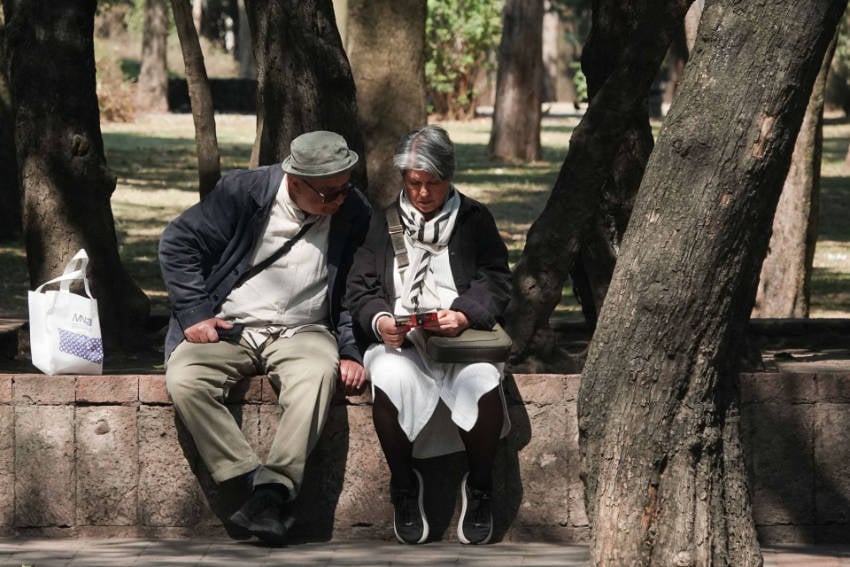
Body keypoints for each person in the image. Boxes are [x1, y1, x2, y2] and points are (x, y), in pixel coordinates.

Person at [158, 130, 371, 545]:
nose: (340, 200)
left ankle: (273, 490)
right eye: (329, 194)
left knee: (315, 376)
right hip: (231, 324)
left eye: (345, 188)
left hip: (304, 327)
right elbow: (177, 242)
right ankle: (251, 482)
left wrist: (349, 349)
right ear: (295, 181)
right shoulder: (244, 193)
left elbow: (354, 287)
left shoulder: (353, 210)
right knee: (185, 377)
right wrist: (197, 314)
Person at [346, 125, 512, 545]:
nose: (422, 193)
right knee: (389, 378)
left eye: (432, 183)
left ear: (449, 176)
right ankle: (403, 486)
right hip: (401, 340)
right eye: (414, 183)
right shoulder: (382, 222)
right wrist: (382, 321)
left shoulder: (474, 219)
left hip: (459, 340)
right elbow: (360, 288)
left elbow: (496, 281)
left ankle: (480, 488)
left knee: (483, 382)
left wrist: (462, 314)